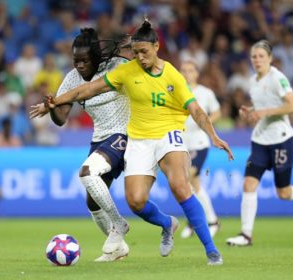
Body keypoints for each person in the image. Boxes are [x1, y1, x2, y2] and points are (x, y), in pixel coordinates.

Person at [31, 20, 234, 265]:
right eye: (135, 52)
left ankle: (211, 251)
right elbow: (84, 91)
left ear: (157, 46)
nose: (139, 57)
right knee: (135, 201)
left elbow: (196, 109)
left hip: (167, 134)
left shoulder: (172, 75)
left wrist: (213, 135)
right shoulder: (126, 71)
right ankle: (167, 224)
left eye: (144, 52)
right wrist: (51, 104)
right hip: (138, 140)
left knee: (181, 187)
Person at [44, 28, 131, 262]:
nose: (80, 65)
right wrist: (53, 108)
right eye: (76, 60)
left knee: (86, 173)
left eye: (84, 60)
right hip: (100, 138)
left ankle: (119, 224)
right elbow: (61, 118)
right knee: (92, 201)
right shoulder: (72, 77)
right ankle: (118, 248)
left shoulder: (116, 66)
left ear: (96, 57)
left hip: (124, 134)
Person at [226, 40, 293, 246]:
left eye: (261, 56)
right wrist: (250, 111)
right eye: (254, 56)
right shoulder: (253, 81)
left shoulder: (278, 78)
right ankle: (245, 234)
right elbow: (263, 105)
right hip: (260, 140)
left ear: (269, 58)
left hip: (282, 140)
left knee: (283, 192)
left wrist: (265, 112)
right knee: (248, 183)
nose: (257, 60)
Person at [179, 60, 222, 239]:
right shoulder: (176, 92)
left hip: (199, 143)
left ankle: (212, 221)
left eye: (191, 70)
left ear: (197, 73)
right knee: (190, 184)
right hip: (181, 144)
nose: (187, 73)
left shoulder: (205, 93)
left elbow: (218, 112)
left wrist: (205, 123)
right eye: (184, 70)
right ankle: (195, 221)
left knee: (189, 176)